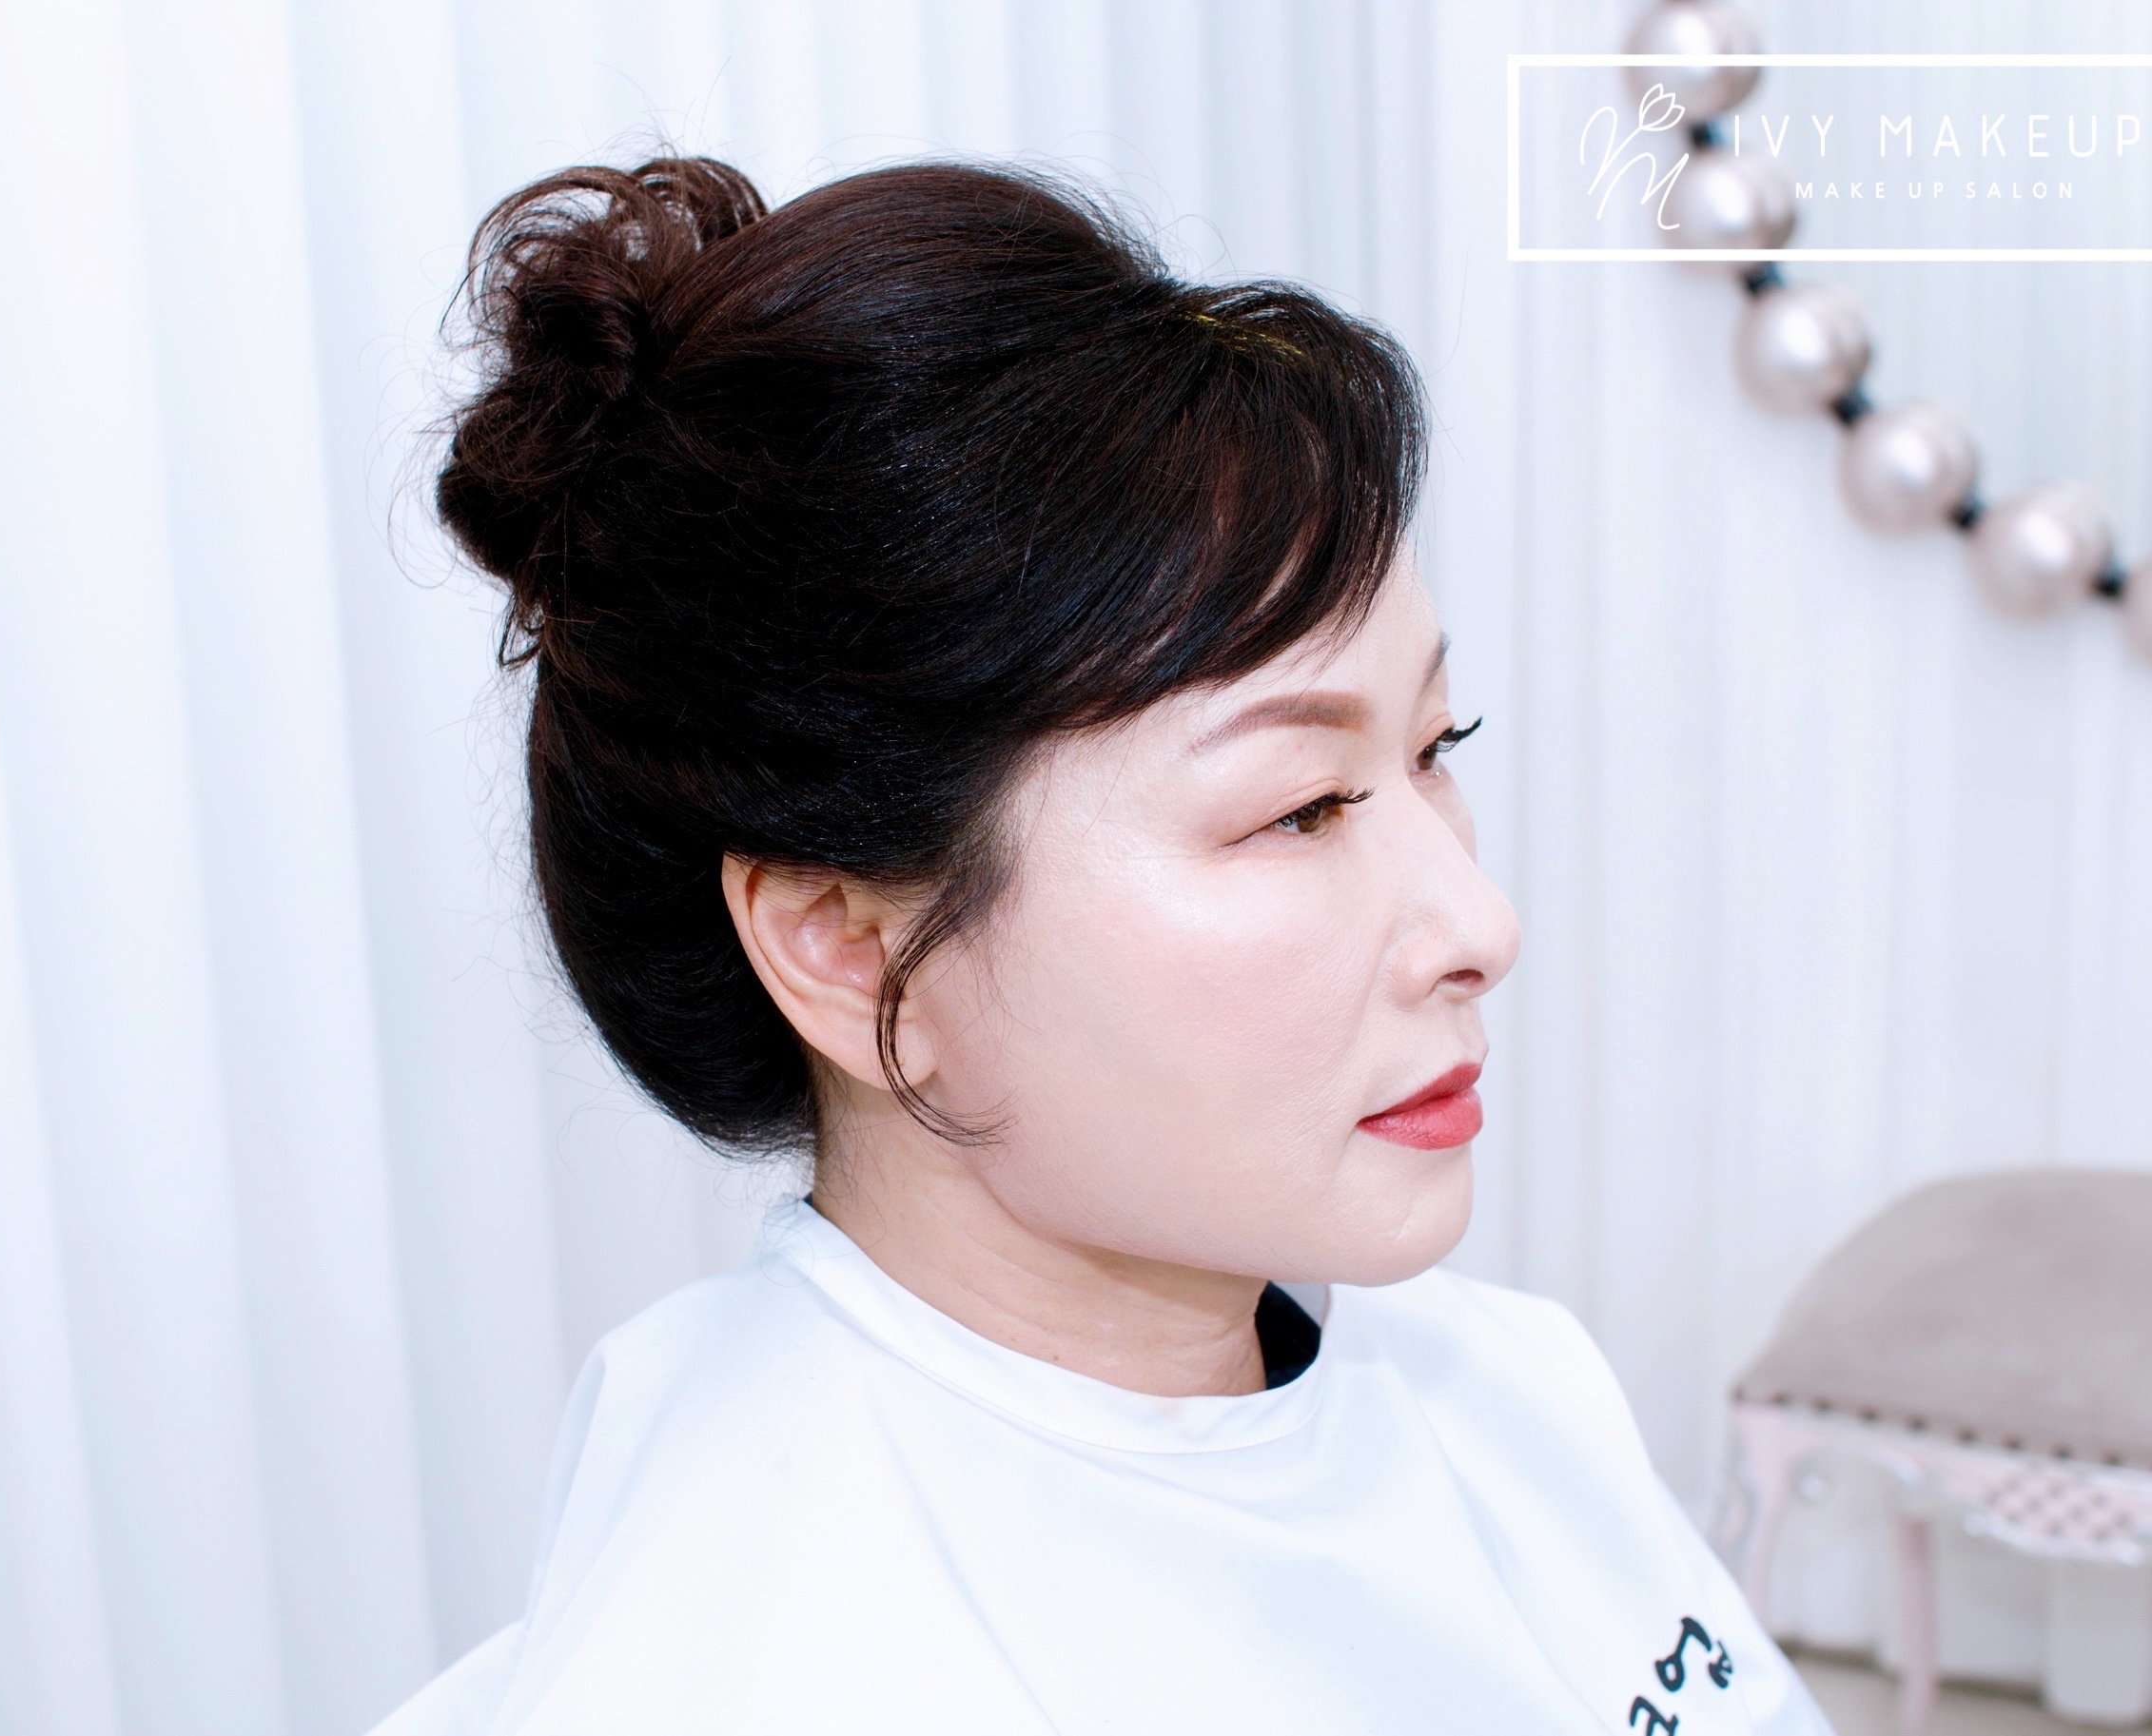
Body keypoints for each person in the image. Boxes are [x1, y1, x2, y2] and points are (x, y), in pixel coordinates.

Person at [379, 155, 1830, 1735]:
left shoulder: (1503, 1383)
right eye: (1297, 808)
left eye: (1436, 747)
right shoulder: (771, 1651)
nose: (1480, 926)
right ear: (851, 952)